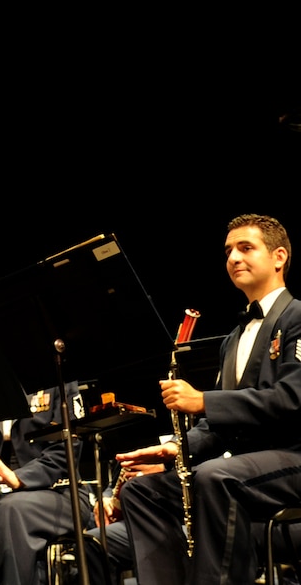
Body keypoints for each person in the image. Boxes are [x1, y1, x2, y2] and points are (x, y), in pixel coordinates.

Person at [117, 213, 301, 584]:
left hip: (293, 457)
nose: (233, 258)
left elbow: (293, 397)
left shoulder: (298, 316)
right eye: (229, 250)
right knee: (142, 491)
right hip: (246, 465)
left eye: (246, 248)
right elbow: (218, 425)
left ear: (279, 257)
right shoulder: (232, 339)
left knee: (215, 477)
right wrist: (175, 449)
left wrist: (203, 401)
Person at [0, 384, 92, 585]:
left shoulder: (56, 377)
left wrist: (19, 478)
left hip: (60, 490)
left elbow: (68, 448)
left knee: (10, 511)